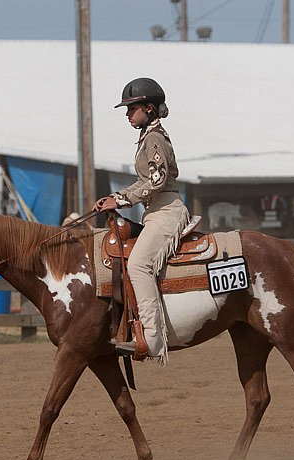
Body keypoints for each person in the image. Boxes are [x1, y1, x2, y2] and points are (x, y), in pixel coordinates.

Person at [93, 78, 189, 362]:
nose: (127, 113)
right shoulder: (148, 136)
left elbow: (157, 180)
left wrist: (121, 201)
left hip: (167, 211)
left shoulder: (155, 138)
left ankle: (151, 338)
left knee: (138, 264)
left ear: (149, 108)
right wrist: (117, 196)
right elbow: (145, 181)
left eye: (131, 107)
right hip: (154, 211)